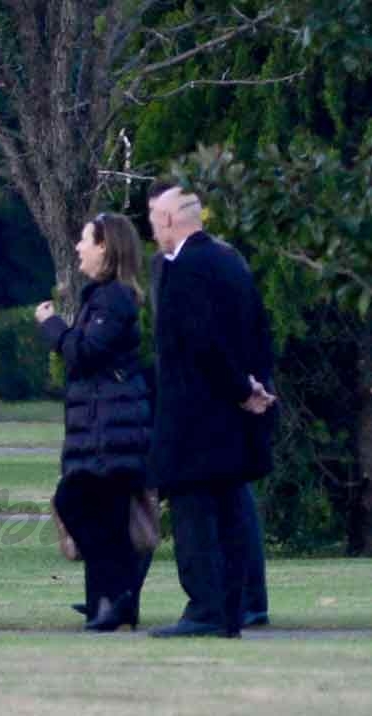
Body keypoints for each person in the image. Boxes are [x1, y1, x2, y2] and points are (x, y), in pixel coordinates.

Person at [145, 183, 276, 638]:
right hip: (234, 417)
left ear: (167, 220)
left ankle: (204, 608)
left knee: (195, 513)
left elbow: (201, 343)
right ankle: (237, 605)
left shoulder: (184, 269)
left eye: (154, 219)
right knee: (232, 510)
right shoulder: (230, 261)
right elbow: (257, 329)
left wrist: (240, 388)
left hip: (195, 415)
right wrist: (258, 388)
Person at [35, 213, 153, 632]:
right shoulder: (102, 297)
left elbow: (84, 355)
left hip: (110, 434)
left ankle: (116, 594)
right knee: (104, 515)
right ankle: (109, 601)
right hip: (103, 430)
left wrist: (51, 326)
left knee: (73, 501)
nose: (79, 248)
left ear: (105, 247)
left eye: (85, 240)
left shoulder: (113, 299)